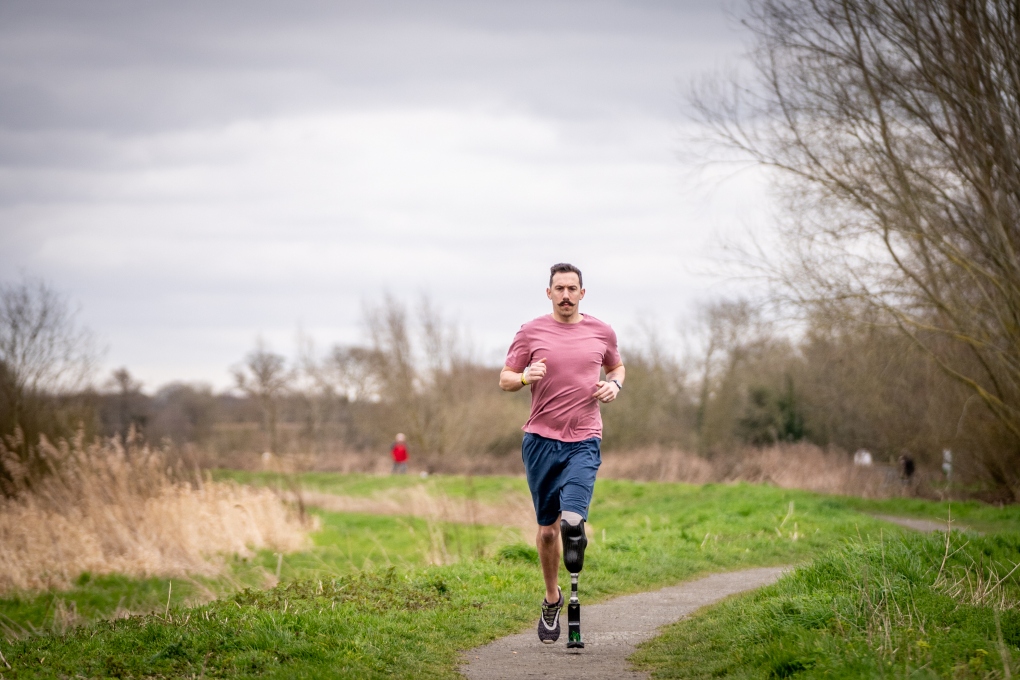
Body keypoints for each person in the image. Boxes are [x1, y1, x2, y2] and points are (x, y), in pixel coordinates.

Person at [499, 263, 624, 647]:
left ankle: (574, 583)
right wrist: (524, 378)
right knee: (548, 530)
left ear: (582, 293)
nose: (566, 295)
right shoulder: (530, 331)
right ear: (549, 293)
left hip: (584, 440)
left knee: (572, 523)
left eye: (572, 288)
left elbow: (616, 365)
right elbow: (505, 378)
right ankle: (552, 597)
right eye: (559, 288)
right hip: (540, 441)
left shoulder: (601, 331)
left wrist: (614, 385)